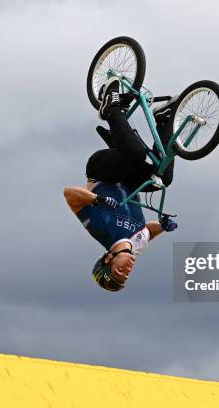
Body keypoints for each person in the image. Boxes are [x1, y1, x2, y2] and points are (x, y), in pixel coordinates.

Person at [63, 77, 178, 292]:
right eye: (126, 276)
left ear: (108, 259)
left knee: (135, 154)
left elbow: (69, 194)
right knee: (164, 178)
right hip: (128, 179)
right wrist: (163, 226)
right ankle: (164, 119)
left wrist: (97, 199)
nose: (126, 272)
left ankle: (110, 107)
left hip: (101, 172)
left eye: (119, 273)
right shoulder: (138, 245)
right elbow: (148, 231)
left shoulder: (101, 231)